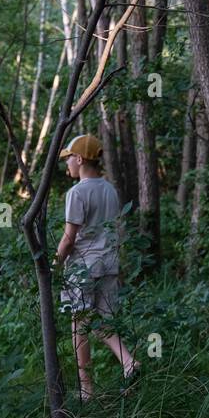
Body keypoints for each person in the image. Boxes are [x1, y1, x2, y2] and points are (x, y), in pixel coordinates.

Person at [53, 134, 137, 397]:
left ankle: (87, 391)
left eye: (69, 159)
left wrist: (55, 266)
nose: (67, 164)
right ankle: (128, 362)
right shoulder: (110, 190)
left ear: (80, 159)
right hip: (109, 264)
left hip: (83, 268)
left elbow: (69, 238)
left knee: (80, 324)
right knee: (101, 321)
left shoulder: (77, 193)